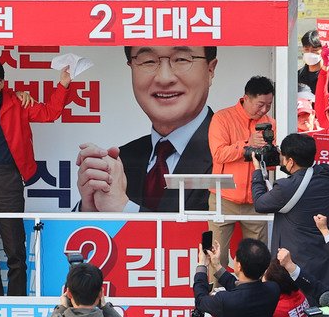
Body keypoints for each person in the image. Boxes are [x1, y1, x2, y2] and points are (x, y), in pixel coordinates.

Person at [0, 59, 70, 296]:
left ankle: (16, 301)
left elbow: (50, 113)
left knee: (14, 247)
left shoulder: (17, 101)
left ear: (2, 83)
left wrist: (64, 85)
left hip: (8, 178)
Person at [78, 46, 223, 214]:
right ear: (131, 67)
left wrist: (124, 209)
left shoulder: (240, 155)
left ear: (210, 70)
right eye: (148, 61)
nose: (164, 78)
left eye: (182, 59)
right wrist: (90, 210)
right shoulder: (120, 161)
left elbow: (228, 236)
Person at [252, 133, 329, 296]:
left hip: (297, 263)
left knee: (297, 305)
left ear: (290, 161)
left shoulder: (286, 188)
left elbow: (260, 203)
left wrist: (258, 171)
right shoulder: (327, 175)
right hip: (325, 259)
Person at [208, 75, 277, 248]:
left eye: (269, 105)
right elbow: (218, 154)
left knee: (257, 254)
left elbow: (272, 165)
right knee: (217, 255)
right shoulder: (222, 118)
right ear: (246, 98)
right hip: (223, 198)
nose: (264, 110)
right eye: (260, 104)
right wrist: (247, 144)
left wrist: (271, 154)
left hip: (257, 199)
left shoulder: (271, 123)